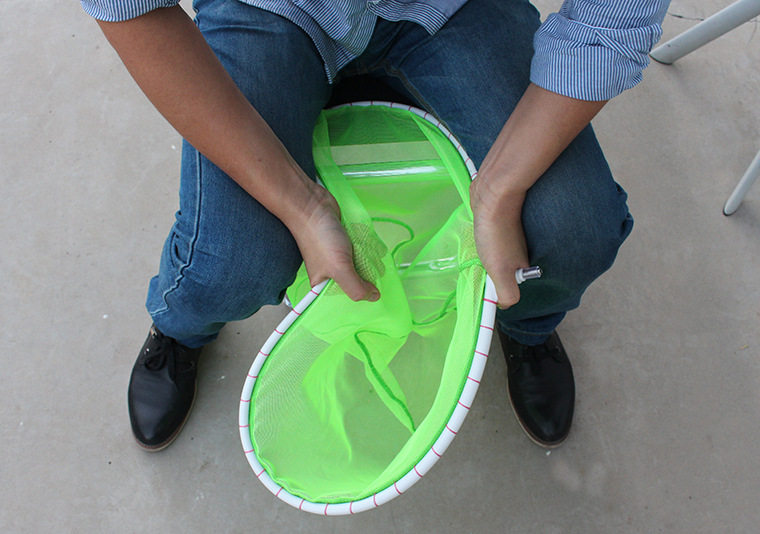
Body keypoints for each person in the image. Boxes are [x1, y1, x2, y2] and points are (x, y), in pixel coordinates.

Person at [82, 0, 669, 451]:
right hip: (266, 9)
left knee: (572, 229)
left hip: (455, 9)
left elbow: (611, 19)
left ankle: (527, 322)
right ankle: (182, 327)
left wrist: (500, 190)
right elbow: (132, 8)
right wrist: (302, 206)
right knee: (232, 263)